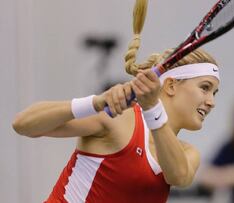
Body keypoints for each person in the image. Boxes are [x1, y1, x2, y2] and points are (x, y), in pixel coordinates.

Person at [12, 1, 220, 202]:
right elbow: (23, 124)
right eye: (205, 88)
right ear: (171, 86)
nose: (211, 102)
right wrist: (95, 102)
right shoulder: (118, 120)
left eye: (214, 93)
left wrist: (152, 107)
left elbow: (179, 176)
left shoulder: (187, 153)